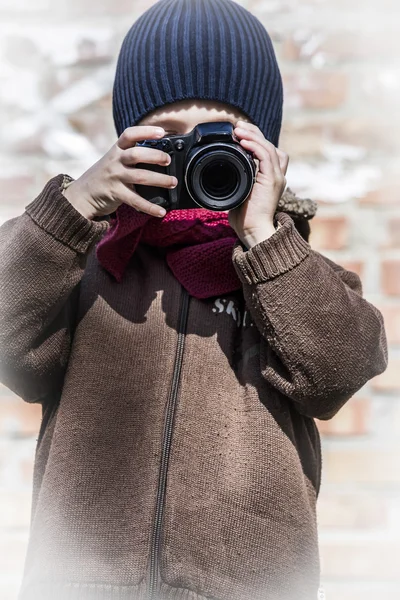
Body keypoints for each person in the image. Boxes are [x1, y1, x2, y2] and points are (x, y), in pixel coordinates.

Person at [0, 1, 388, 599]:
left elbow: (337, 373)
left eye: (222, 140)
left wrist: (263, 239)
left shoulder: (287, 269)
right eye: (170, 141)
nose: (198, 159)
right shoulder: (87, 262)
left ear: (267, 152)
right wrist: (73, 208)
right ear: (126, 145)